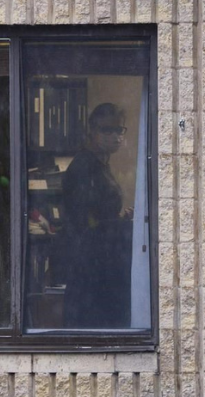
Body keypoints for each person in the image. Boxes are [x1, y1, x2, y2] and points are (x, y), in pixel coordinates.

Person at [60, 103, 133, 329]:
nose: (115, 136)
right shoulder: (84, 167)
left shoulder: (102, 164)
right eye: (107, 130)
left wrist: (122, 220)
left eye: (119, 130)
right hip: (91, 266)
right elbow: (84, 220)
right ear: (92, 131)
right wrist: (117, 223)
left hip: (105, 262)